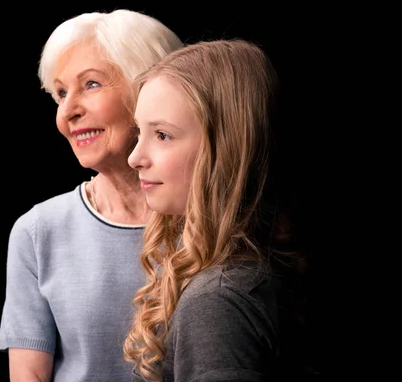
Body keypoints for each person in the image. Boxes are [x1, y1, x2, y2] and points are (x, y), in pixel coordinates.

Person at [0, 9, 183, 381]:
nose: (67, 111)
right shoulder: (37, 231)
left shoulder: (215, 219)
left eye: (91, 84)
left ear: (149, 90)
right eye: (61, 93)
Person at [124, 39, 309, 381]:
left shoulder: (218, 302)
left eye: (162, 135)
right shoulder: (254, 273)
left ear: (226, 149)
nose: (135, 157)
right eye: (139, 133)